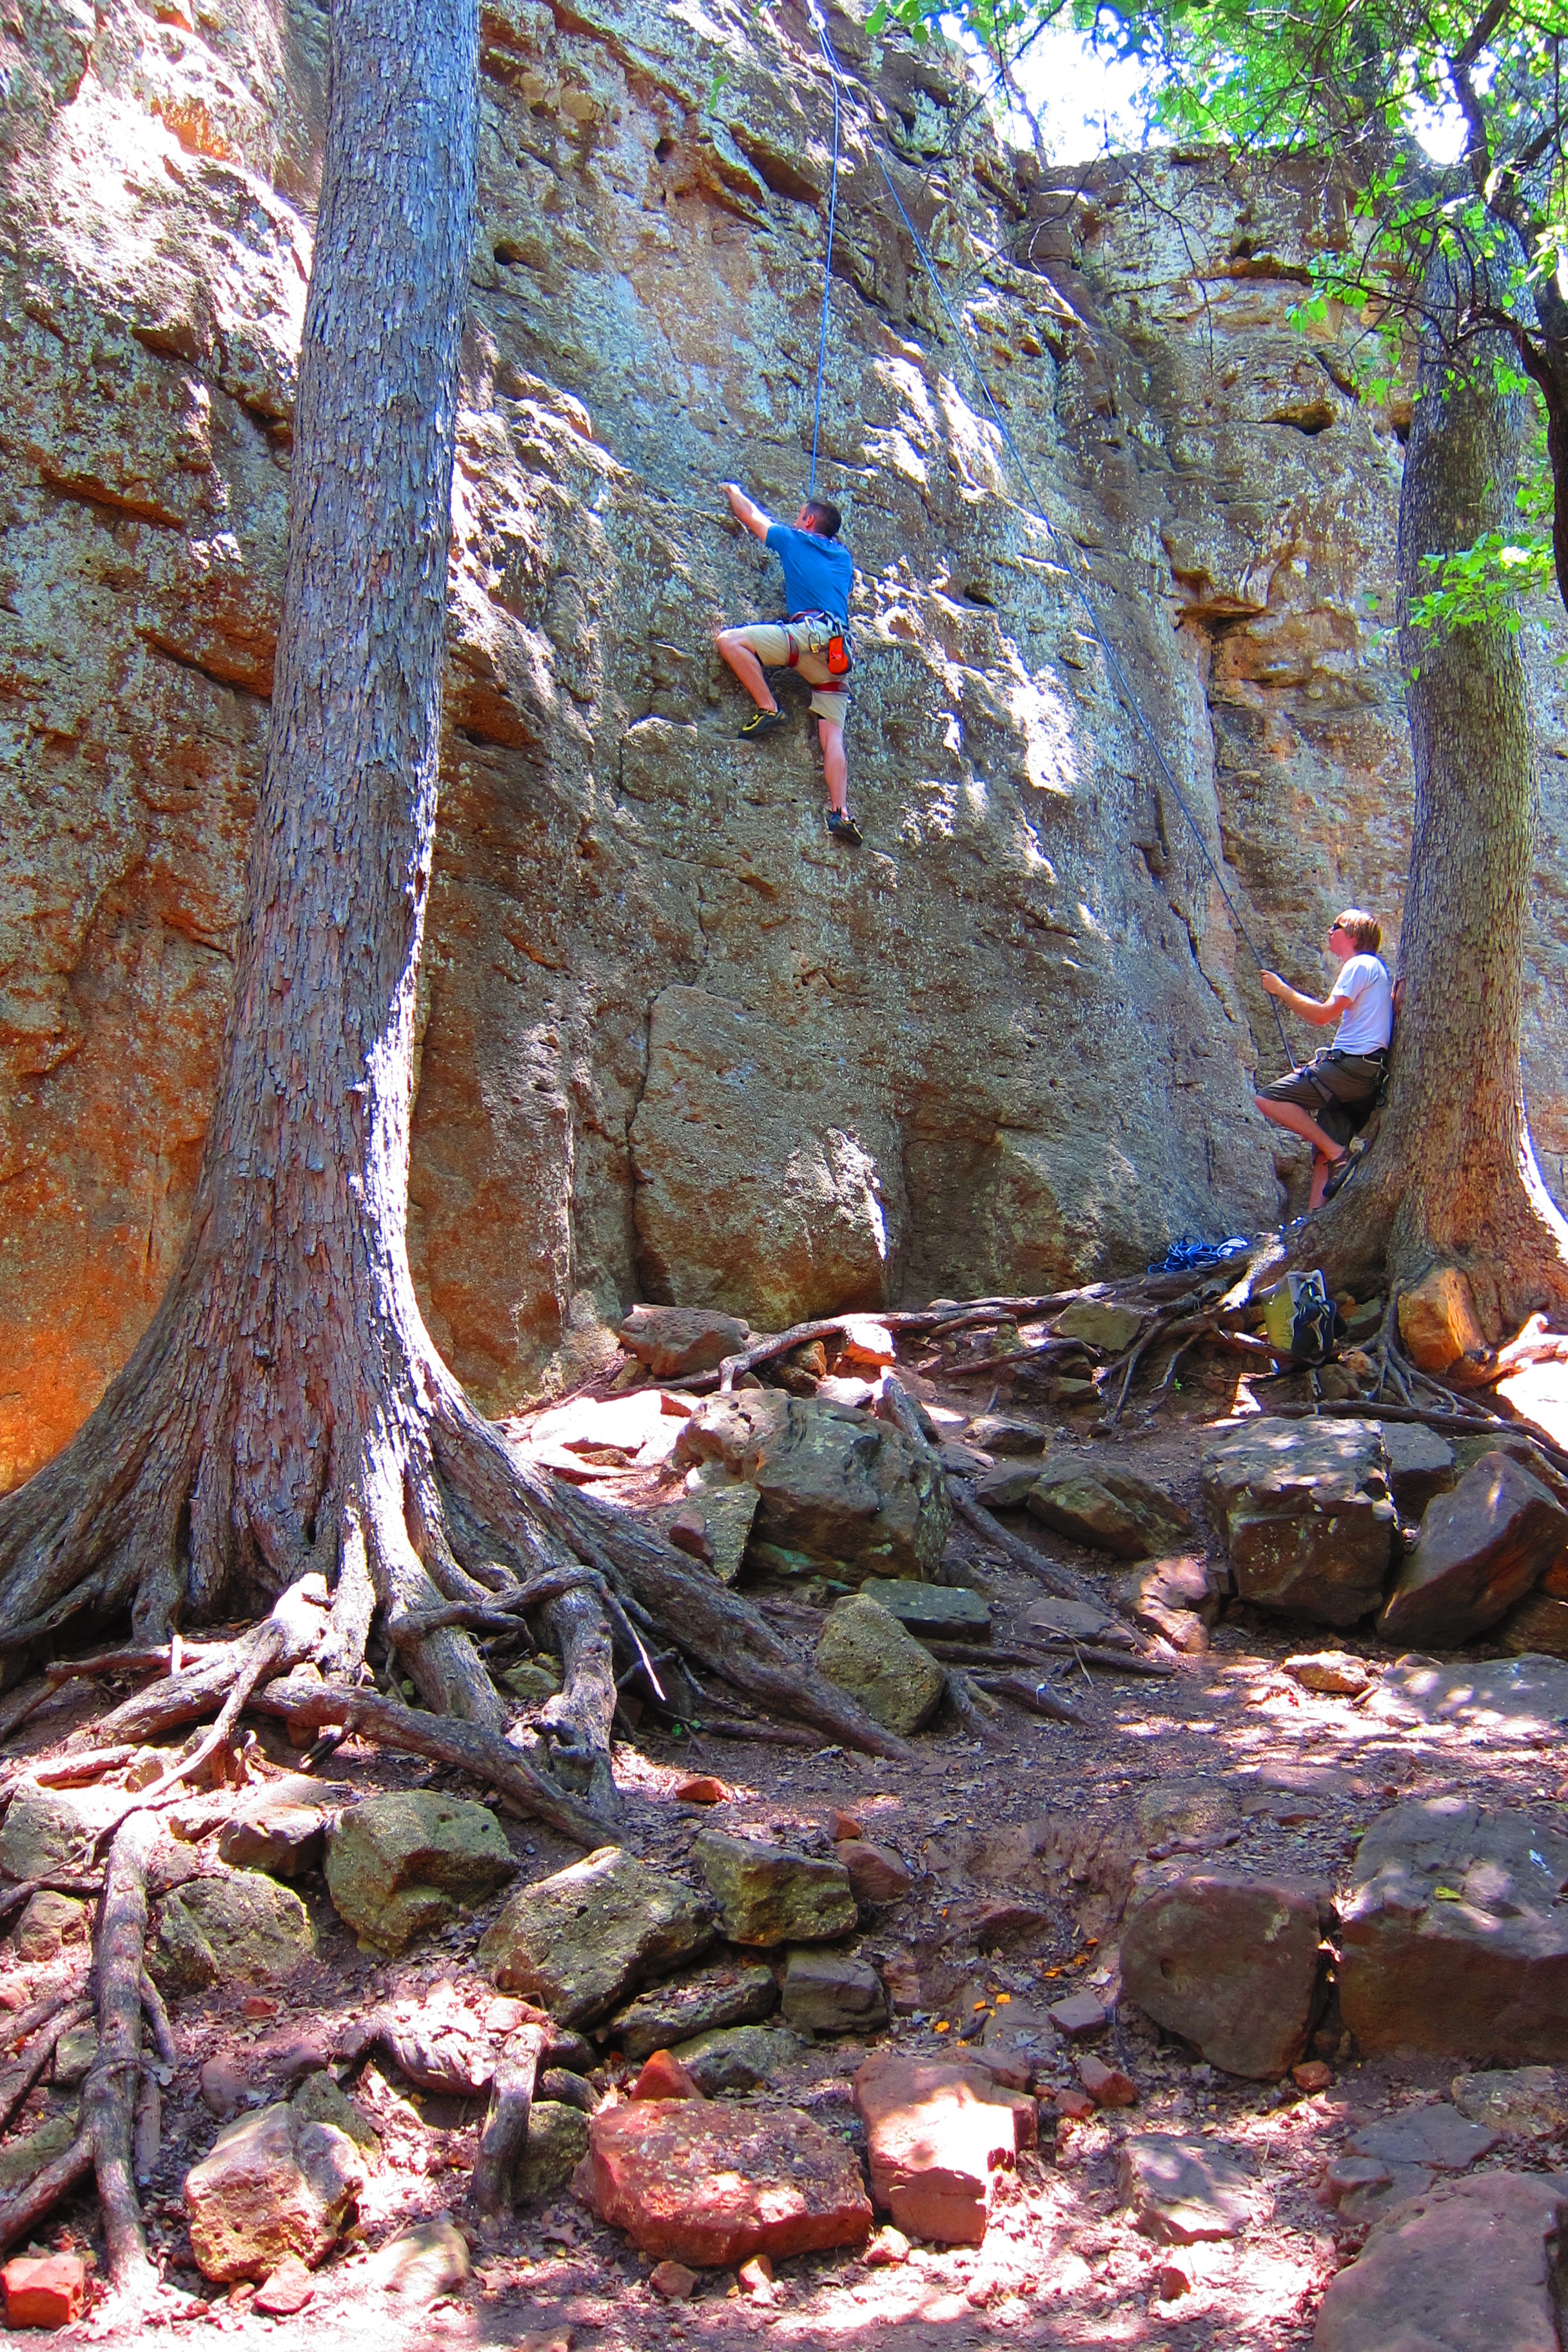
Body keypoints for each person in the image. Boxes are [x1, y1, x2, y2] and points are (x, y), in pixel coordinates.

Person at [714, 482, 863, 846]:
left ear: (809, 521)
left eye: (800, 517)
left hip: (808, 637)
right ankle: (840, 813)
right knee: (833, 737)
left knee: (729, 642)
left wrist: (732, 489)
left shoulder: (793, 541)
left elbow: (749, 515)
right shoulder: (844, 561)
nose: (796, 523)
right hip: (837, 658)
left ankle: (769, 707)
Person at [1256, 910, 1393, 1211]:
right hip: (1362, 1074)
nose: (1329, 930)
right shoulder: (1373, 969)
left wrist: (1281, 990)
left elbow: (1322, 1015)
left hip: (1354, 1070)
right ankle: (1313, 1220)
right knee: (1323, 1152)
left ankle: (1339, 1153)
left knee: (1267, 1099)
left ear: (1354, 936)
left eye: (1337, 926)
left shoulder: (1359, 964)